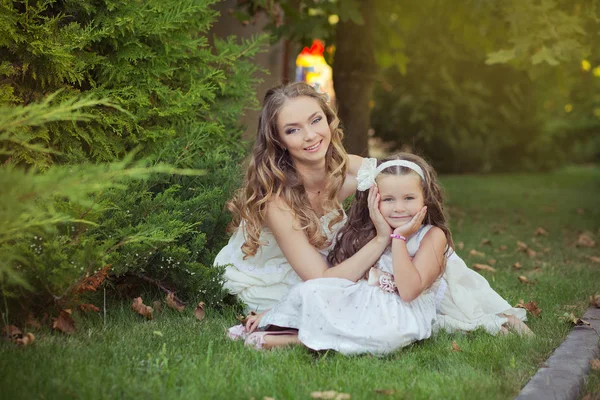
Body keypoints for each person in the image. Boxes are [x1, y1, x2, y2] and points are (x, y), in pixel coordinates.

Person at [240, 153, 531, 354]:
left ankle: (295, 340)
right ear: (374, 200)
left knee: (385, 333)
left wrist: (398, 240)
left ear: (425, 199)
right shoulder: (369, 233)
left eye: (409, 199)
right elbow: (343, 280)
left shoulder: (432, 236)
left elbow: (408, 291)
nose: (399, 208)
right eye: (388, 199)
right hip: (370, 301)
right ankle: (275, 323)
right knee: (316, 289)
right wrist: (270, 310)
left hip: (409, 307)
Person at [214, 82, 389, 313]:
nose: (310, 135)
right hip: (274, 279)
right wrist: (381, 239)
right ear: (278, 141)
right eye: (292, 130)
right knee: (347, 303)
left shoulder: (346, 168)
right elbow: (322, 280)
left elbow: (406, 182)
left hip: (320, 264)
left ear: (328, 120)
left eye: (316, 120)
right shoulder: (275, 201)